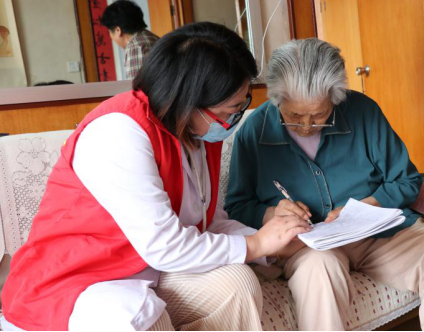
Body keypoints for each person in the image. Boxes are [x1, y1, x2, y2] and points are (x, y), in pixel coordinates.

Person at [0, 22, 311, 331]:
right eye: (232, 109)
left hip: (147, 270)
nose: (233, 121)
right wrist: (255, 244)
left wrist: (274, 245)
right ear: (191, 101)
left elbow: (208, 222)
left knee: (237, 283)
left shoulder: (197, 133)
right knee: (145, 318)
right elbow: (164, 245)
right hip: (78, 279)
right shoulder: (119, 133)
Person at [224, 38, 424, 331]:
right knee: (320, 270)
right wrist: (273, 214)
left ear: (336, 97)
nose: (306, 126)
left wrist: (363, 208)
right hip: (308, 247)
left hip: (375, 235)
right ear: (277, 99)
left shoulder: (364, 112)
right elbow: (238, 205)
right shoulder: (254, 132)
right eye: (294, 116)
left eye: (319, 115)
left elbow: (406, 180)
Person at [101, 0, 159, 79]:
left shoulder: (135, 48)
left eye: (110, 32)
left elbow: (137, 90)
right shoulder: (151, 37)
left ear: (118, 30)